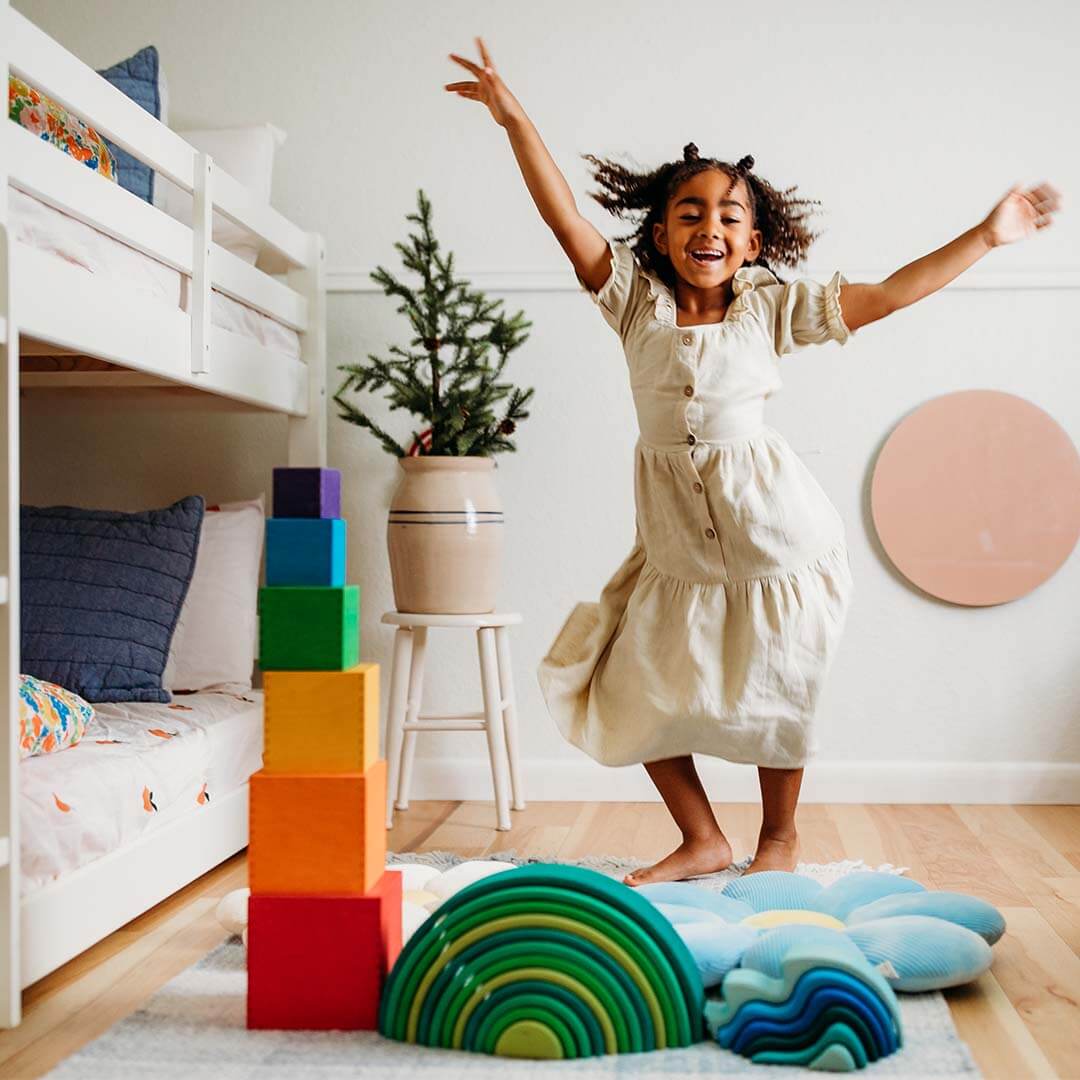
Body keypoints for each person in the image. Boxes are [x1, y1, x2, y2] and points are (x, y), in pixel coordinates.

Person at [446, 38, 1062, 886]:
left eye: (729, 216)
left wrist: (987, 236)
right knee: (628, 689)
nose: (710, 226)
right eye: (690, 213)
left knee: (781, 688)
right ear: (659, 234)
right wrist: (515, 120)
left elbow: (887, 294)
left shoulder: (773, 306)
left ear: (755, 239)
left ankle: (779, 839)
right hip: (678, 547)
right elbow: (564, 220)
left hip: (776, 537)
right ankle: (703, 838)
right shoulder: (631, 302)